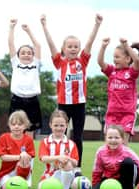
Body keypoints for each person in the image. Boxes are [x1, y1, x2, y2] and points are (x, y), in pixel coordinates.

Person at [41, 13, 103, 172]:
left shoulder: (83, 61)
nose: (73, 49)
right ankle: (57, 165)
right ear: (64, 49)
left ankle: (77, 167)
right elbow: (50, 44)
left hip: (79, 105)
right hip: (63, 105)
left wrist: (96, 25)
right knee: (60, 135)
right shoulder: (59, 62)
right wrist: (44, 26)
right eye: (70, 46)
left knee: (77, 137)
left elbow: (90, 42)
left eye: (76, 46)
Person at [97, 37, 139, 144]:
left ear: (127, 59)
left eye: (117, 57)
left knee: (123, 145)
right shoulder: (111, 71)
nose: (114, 59)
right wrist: (103, 46)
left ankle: (123, 160)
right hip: (112, 114)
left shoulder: (131, 73)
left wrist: (126, 45)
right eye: (114, 57)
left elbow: (136, 61)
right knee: (109, 144)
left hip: (127, 114)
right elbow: (100, 61)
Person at [7, 19, 43, 136]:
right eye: (23, 53)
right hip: (17, 100)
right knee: (16, 129)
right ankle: (16, 153)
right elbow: (11, 44)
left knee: (30, 131)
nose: (26, 55)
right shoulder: (16, 64)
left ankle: (28, 153)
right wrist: (12, 28)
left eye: (29, 53)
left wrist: (28, 31)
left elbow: (37, 45)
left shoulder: (35, 64)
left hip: (32, 100)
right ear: (18, 55)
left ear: (33, 56)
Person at [90, 125, 139, 189]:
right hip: (109, 180)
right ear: (105, 139)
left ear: (122, 139)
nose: (113, 140)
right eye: (110, 137)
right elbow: (97, 171)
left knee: (128, 162)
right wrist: (95, 187)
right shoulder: (100, 151)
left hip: (124, 180)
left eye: (116, 137)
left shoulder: (127, 152)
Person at [37, 110, 79, 189]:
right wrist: (58, 157)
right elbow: (43, 158)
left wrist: (67, 158)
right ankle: (60, 188)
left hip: (66, 174)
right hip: (49, 175)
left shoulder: (71, 144)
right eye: (56, 125)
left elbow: (75, 163)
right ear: (50, 125)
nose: (59, 128)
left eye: (62, 125)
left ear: (66, 125)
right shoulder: (45, 142)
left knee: (67, 165)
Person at [0, 110, 36, 189]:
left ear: (25, 125)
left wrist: (24, 156)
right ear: (9, 125)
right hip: (6, 173)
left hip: (22, 169)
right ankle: (6, 184)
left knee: (25, 156)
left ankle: (26, 180)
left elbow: (31, 157)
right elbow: (3, 157)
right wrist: (19, 156)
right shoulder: (4, 138)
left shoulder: (28, 140)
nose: (16, 127)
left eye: (20, 124)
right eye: (13, 124)